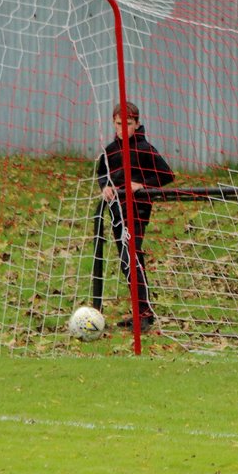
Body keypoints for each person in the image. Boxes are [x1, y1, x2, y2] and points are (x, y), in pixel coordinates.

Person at [96, 101, 175, 331]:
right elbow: (103, 174)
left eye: (128, 124)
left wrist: (141, 184)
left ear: (137, 124)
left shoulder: (145, 149)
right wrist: (105, 187)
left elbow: (166, 175)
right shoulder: (110, 151)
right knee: (128, 260)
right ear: (114, 124)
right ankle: (143, 311)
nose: (123, 128)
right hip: (116, 210)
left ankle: (144, 313)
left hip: (138, 209)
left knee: (130, 257)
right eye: (119, 124)